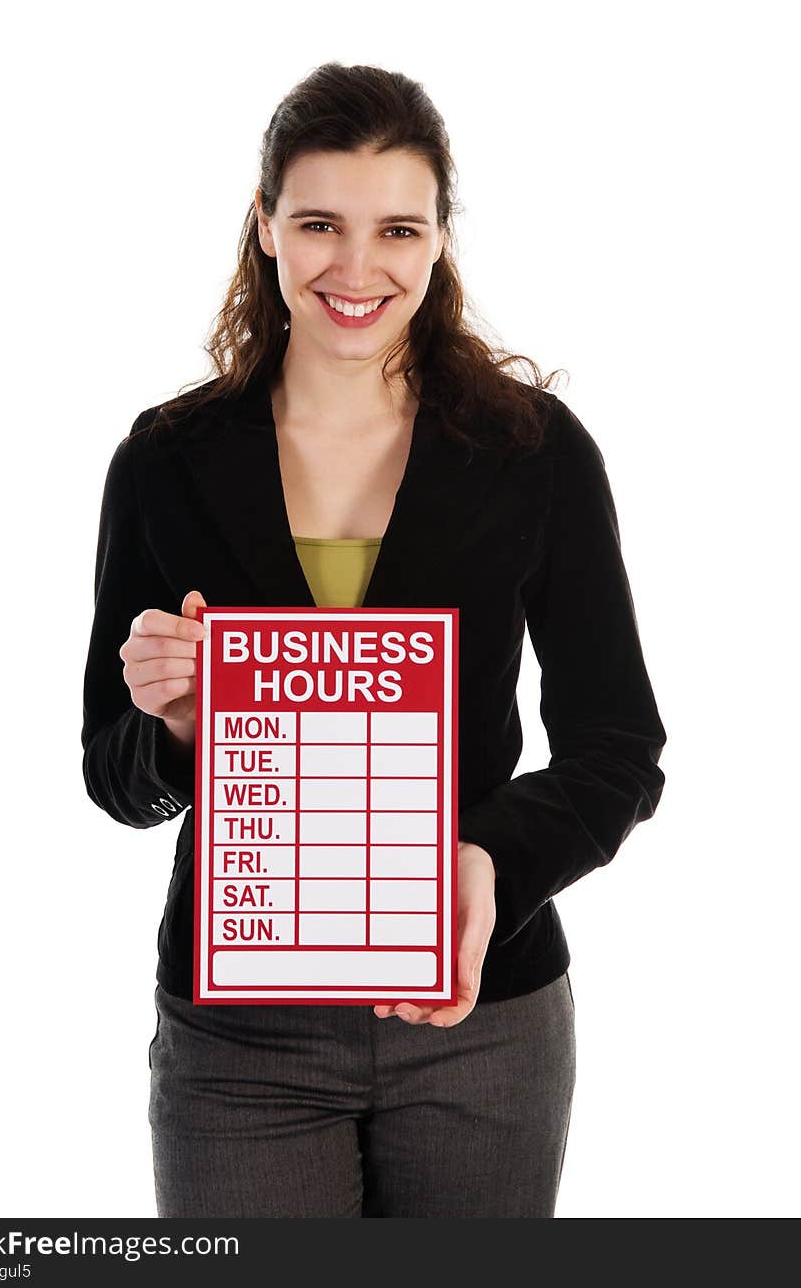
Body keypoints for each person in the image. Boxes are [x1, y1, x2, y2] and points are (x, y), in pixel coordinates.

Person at [81, 62, 667, 1218]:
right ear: (264, 229)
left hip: (480, 1022)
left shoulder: (533, 453)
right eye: (317, 224)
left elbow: (617, 745)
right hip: (241, 1041)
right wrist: (179, 729)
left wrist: (491, 862)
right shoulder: (166, 459)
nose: (357, 269)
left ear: (440, 237)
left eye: (396, 227)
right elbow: (112, 776)